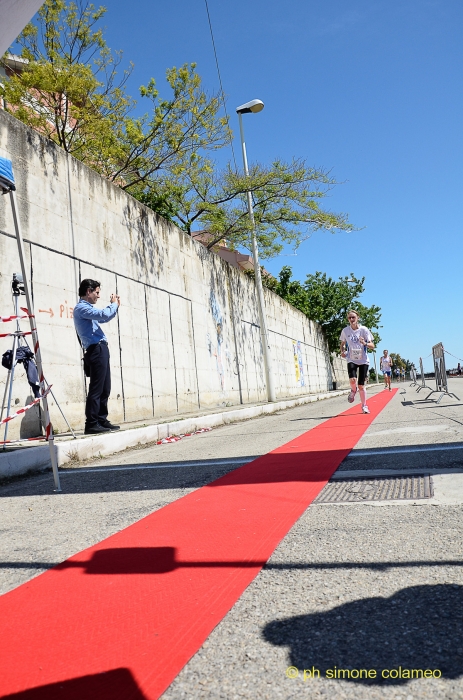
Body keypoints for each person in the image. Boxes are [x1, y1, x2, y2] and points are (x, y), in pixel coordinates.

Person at [73, 279, 121, 434]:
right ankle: (91, 423)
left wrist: (115, 307)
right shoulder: (81, 308)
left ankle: (101, 419)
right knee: (96, 388)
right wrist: (114, 304)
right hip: (96, 349)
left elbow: (105, 316)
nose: (98, 296)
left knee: (105, 388)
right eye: (97, 292)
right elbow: (103, 315)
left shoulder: (86, 309)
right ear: (88, 291)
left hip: (100, 349)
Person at [340, 309, 375, 414]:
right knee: (352, 379)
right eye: (349, 318)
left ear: (358, 318)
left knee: (361, 385)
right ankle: (353, 390)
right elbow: (342, 343)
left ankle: (364, 406)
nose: (351, 319)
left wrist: (364, 343)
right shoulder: (345, 331)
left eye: (353, 317)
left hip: (363, 360)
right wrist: (342, 351)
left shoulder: (364, 330)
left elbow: (372, 346)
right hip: (351, 358)